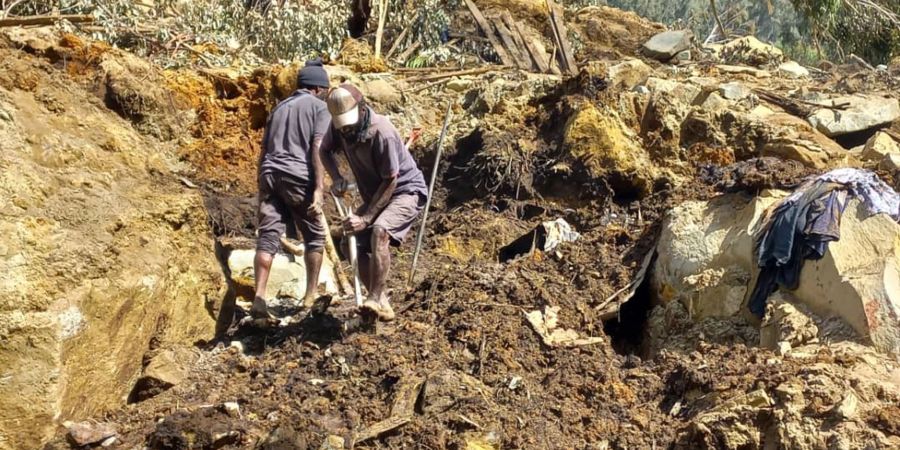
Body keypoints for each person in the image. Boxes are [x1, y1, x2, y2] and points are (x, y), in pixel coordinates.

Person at [322, 83, 428, 321]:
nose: (347, 131)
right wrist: (337, 177)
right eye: (343, 127)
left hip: (405, 191)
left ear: (362, 108)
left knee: (379, 231)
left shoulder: (383, 132)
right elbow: (324, 150)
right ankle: (380, 302)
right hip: (376, 195)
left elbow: (391, 180)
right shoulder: (340, 126)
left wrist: (367, 218)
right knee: (350, 244)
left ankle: (374, 296)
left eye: (350, 125)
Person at [252, 59, 331, 319]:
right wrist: (319, 188)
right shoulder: (320, 108)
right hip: (298, 176)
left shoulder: (278, 108)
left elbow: (263, 150)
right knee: (315, 235)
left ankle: (260, 297)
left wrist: (261, 185)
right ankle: (310, 296)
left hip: (269, 174)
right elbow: (318, 146)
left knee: (267, 236)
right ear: (318, 89)